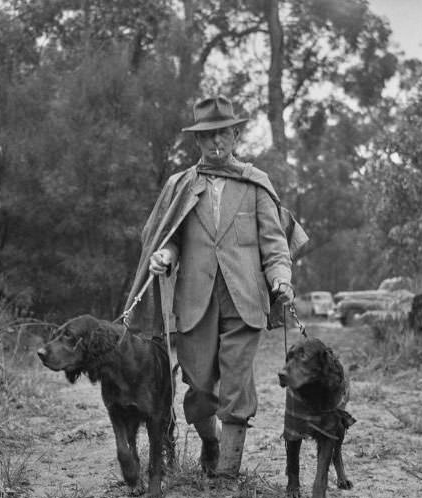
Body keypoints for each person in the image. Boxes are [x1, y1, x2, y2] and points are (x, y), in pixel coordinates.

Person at [125, 95, 296, 478]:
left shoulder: (256, 183)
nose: (216, 144)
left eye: (223, 135)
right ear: (197, 142)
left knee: (236, 385)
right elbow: (169, 237)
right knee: (200, 389)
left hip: (244, 300)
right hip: (195, 301)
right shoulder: (181, 185)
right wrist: (164, 256)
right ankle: (211, 442)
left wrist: (281, 279)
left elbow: (274, 244)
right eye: (208, 138)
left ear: (236, 135)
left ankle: (228, 476)